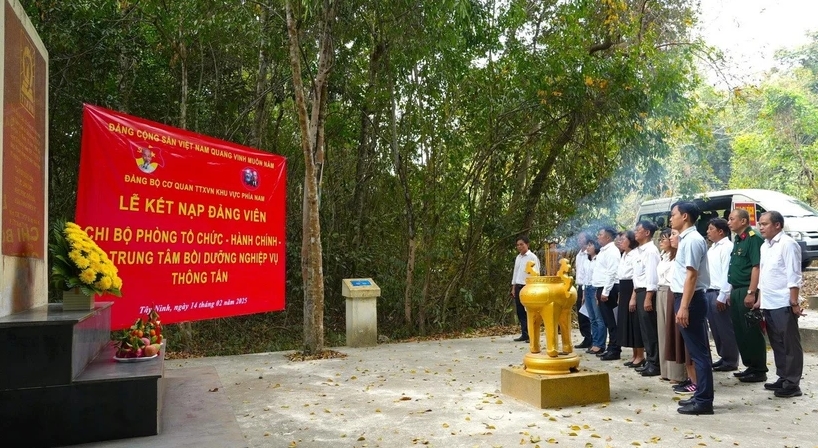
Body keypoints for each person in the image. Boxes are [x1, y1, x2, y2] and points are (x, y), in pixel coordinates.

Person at [670, 201, 713, 415]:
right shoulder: (685, 240)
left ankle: (704, 401)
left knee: (699, 353)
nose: (671, 219)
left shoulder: (693, 240)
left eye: (673, 215)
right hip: (685, 297)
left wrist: (684, 306)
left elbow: (692, 275)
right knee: (695, 351)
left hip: (692, 299)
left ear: (685, 216)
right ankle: (699, 395)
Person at [757, 211, 804, 398]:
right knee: (777, 343)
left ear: (777, 225)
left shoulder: (788, 244)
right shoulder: (764, 246)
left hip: (783, 302)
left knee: (790, 343)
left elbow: (794, 274)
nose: (761, 227)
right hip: (768, 301)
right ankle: (783, 377)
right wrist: (760, 297)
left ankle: (793, 383)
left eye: (765, 224)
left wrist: (794, 301)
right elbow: (764, 273)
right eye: (760, 223)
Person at [726, 209, 767, 383]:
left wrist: (751, 292)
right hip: (736, 289)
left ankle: (759, 369)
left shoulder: (753, 238)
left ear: (743, 221)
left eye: (732, 219)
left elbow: (756, 267)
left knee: (751, 330)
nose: (728, 222)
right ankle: (749, 365)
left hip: (746, 289)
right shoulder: (737, 239)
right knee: (740, 330)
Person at [705, 218, 739, 372]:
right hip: (709, 290)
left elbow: (728, 272)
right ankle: (723, 356)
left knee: (725, 327)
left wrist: (723, 295)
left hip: (720, 291)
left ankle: (731, 360)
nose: (707, 231)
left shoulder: (727, 247)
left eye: (711, 229)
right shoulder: (712, 248)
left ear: (720, 231)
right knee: (716, 327)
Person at [657, 228, 688, 384]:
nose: (661, 242)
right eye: (660, 239)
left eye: (665, 238)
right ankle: (666, 370)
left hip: (672, 291)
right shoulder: (664, 256)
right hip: (661, 290)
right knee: (663, 332)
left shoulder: (678, 257)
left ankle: (678, 373)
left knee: (674, 333)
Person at [631, 220, 661, 377]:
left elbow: (652, 276)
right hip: (640, 291)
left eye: (638, 230)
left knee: (650, 329)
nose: (635, 232)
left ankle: (655, 363)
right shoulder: (640, 251)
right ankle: (650, 360)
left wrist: (648, 297)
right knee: (644, 329)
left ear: (647, 233)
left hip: (648, 292)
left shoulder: (650, 251)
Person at [592, 227, 621, 361]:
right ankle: (611, 347)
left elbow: (612, 272)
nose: (598, 237)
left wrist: (605, 291)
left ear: (608, 237)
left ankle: (615, 349)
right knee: (607, 320)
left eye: (600, 235)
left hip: (608, 288)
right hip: (601, 288)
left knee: (611, 321)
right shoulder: (603, 251)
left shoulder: (612, 251)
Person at [616, 230, 644, 368]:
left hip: (631, 288)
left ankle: (640, 355)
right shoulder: (624, 255)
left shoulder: (635, 255)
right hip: (623, 288)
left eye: (623, 239)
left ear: (631, 240)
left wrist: (633, 297)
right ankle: (634, 355)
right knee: (627, 323)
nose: (620, 242)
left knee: (635, 323)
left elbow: (635, 277)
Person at [510, 236, 540, 343]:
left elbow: (536, 274)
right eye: (517, 245)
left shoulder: (532, 257)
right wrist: (513, 287)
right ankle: (525, 333)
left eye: (521, 244)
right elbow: (515, 273)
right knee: (520, 311)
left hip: (528, 287)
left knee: (529, 311)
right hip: (518, 286)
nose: (519, 247)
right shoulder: (518, 257)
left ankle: (532, 334)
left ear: (527, 244)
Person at [584, 238, 607, 354]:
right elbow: (585, 278)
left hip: (595, 289)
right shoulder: (587, 260)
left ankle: (600, 344)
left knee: (599, 318)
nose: (588, 247)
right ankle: (595, 342)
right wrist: (584, 293)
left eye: (590, 245)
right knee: (592, 318)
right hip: (587, 288)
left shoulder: (599, 259)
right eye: (587, 245)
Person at [574, 232, 593, 348]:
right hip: (580, 286)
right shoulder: (578, 255)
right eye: (578, 238)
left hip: (588, 286)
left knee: (589, 313)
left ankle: (591, 337)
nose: (579, 240)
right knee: (581, 312)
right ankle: (586, 336)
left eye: (581, 238)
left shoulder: (589, 254)